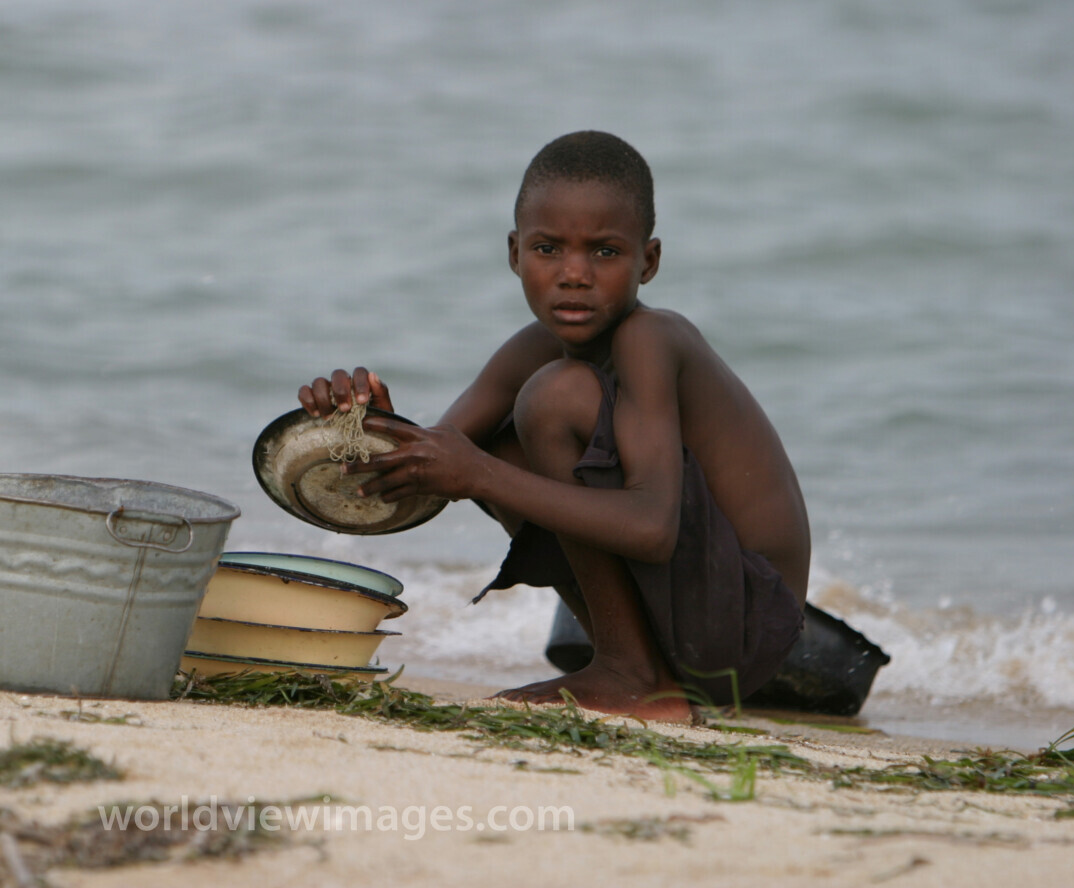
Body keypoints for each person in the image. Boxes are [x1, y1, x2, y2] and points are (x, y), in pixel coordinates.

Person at [297, 131, 809, 723]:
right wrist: (369, 430)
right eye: (547, 250)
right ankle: (638, 672)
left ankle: (628, 674)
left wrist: (476, 473)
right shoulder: (529, 351)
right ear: (514, 253)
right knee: (494, 442)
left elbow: (652, 527)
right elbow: (432, 475)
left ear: (649, 261)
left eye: (605, 252)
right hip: (689, 628)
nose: (574, 274)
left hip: (743, 624)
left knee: (547, 402)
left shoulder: (652, 339)